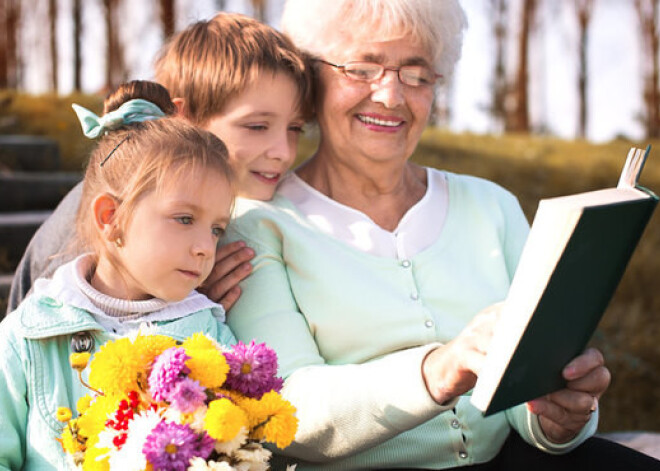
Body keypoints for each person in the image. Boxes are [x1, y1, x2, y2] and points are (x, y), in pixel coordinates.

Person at [221, 1, 660, 469]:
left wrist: (557, 419)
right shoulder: (256, 226)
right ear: (312, 79)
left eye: (416, 74)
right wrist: (439, 370)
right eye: (362, 68)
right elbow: (289, 413)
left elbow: (527, 392)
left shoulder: (492, 206)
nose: (391, 96)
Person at [6, 12, 312, 314]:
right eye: (256, 127)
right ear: (184, 119)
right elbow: (67, 340)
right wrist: (174, 303)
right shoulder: (110, 213)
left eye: (295, 129)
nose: (284, 152)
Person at [0, 81, 238, 469]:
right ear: (110, 218)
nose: (205, 247)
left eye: (216, 228)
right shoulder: (28, 336)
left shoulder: (210, 338)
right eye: (184, 219)